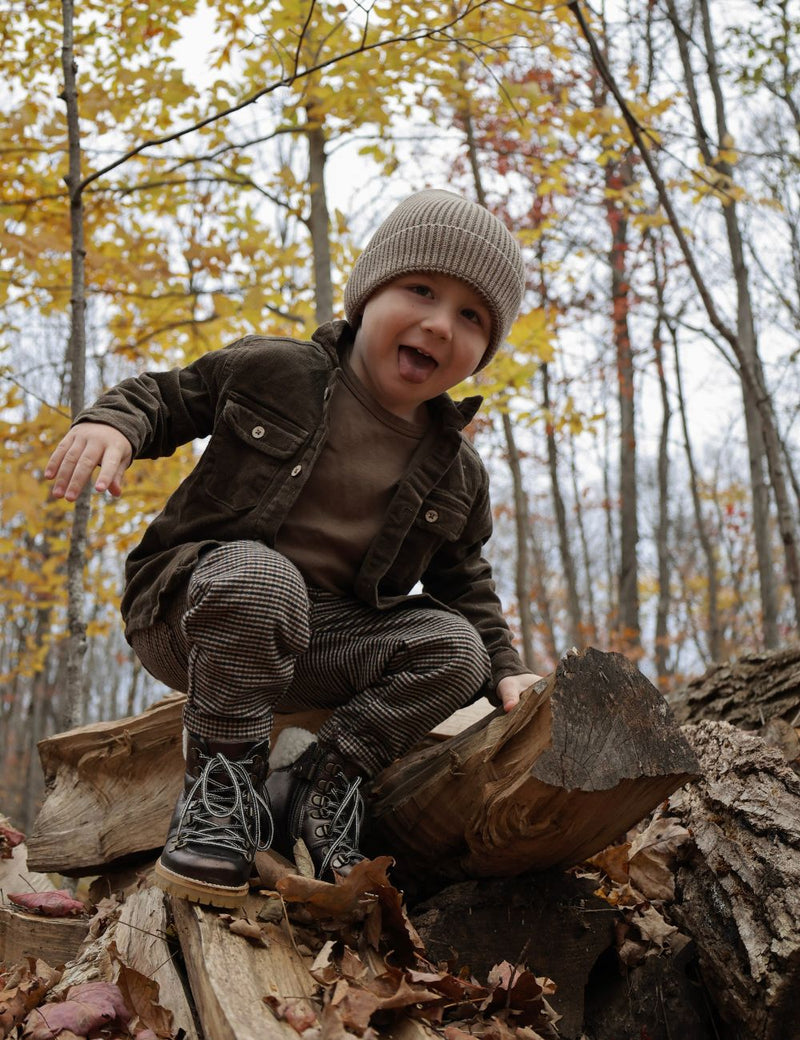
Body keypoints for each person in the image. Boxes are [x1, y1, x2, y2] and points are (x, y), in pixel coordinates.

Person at [45, 189, 541, 907]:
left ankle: (319, 781)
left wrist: (507, 669)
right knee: (261, 577)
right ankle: (221, 797)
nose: (439, 324)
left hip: (323, 639)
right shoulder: (277, 371)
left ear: (483, 352)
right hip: (194, 607)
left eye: (471, 317)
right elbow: (170, 395)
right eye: (421, 290)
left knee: (455, 647)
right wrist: (114, 425)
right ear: (368, 293)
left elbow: (465, 585)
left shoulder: (457, 471)